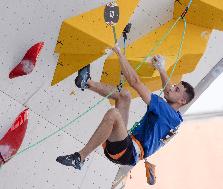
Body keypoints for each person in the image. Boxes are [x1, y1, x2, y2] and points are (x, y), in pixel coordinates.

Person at [56, 45, 195, 170]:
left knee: (114, 114)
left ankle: (79, 158)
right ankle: (86, 82)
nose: (171, 88)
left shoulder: (167, 113)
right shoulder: (173, 117)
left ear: (182, 100)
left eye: (176, 89)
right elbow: (168, 91)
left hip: (127, 152)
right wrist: (162, 69)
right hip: (126, 145)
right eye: (174, 86)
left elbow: (135, 82)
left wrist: (119, 53)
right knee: (124, 96)